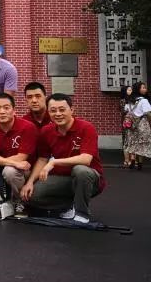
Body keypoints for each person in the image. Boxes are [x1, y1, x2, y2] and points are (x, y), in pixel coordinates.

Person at [21, 93, 106, 223]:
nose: (58, 114)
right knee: (32, 196)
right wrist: (30, 182)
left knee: (80, 170)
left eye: (62, 109)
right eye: (53, 110)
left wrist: (54, 162)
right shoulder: (47, 131)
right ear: (48, 112)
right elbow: (43, 159)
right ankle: (68, 206)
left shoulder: (86, 128)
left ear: (72, 110)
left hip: (90, 179)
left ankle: (82, 213)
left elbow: (86, 159)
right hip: (64, 179)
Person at [0, 93, 38, 214]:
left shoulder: (27, 127)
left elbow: (22, 157)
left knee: (9, 171)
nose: (2, 111)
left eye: (6, 108)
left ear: (14, 110)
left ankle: (20, 201)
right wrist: (12, 163)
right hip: (10, 166)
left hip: (26, 170)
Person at [123, 81, 151, 171]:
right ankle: (140, 163)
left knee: (133, 142)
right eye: (143, 88)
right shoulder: (143, 101)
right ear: (138, 89)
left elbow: (126, 111)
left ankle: (132, 160)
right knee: (141, 143)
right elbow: (148, 113)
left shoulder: (130, 100)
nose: (145, 89)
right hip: (142, 124)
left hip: (131, 125)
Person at [119, 84, 134, 169]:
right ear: (125, 91)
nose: (131, 91)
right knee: (126, 141)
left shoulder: (133, 100)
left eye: (131, 90)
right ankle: (126, 160)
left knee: (132, 141)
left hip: (133, 122)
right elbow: (123, 111)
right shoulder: (123, 101)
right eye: (129, 90)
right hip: (126, 123)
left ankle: (132, 160)